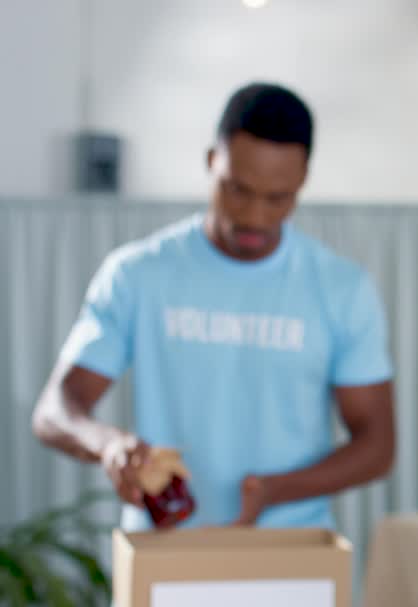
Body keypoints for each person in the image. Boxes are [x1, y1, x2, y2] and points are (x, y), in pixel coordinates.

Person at [32, 82, 396, 530]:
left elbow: (377, 444)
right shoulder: (138, 274)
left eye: (277, 198)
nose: (253, 217)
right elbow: (55, 410)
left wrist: (275, 491)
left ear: (302, 180)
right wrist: (107, 443)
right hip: (163, 549)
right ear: (211, 161)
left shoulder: (343, 289)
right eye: (237, 190)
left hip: (291, 554)